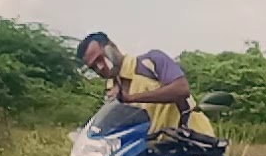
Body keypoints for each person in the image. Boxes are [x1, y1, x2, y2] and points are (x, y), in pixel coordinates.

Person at [75, 32, 215, 137]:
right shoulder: (111, 88)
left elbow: (181, 89)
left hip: (194, 140)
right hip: (161, 150)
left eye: (100, 59)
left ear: (111, 46)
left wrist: (131, 98)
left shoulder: (151, 61)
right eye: (94, 67)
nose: (100, 67)